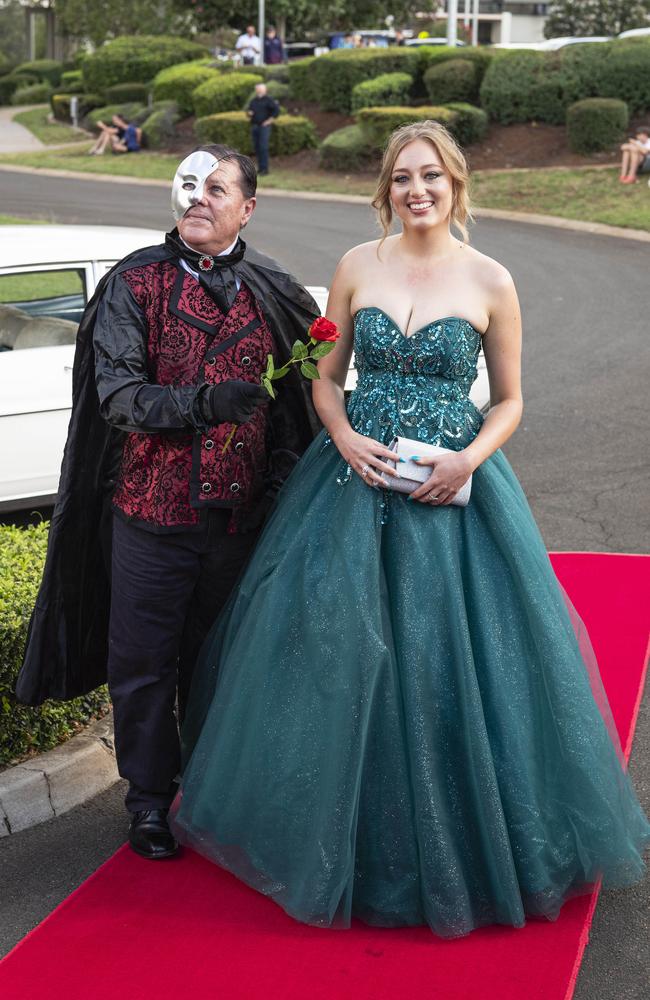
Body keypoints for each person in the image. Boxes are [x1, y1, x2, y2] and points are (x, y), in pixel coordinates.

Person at [169, 121, 650, 936]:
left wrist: (469, 462)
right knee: (335, 647)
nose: (415, 190)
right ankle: (334, 836)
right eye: (401, 178)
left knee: (448, 654)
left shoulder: (493, 280)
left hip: (451, 486)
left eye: (430, 175)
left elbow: (510, 400)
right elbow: (326, 381)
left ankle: (467, 841)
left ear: (456, 183)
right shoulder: (359, 265)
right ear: (385, 188)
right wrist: (345, 437)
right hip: (353, 479)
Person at [16, 144, 321, 860]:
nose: (199, 199)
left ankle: (217, 793)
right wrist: (207, 402)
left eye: (217, 189)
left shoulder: (274, 289)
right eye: (190, 186)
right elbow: (117, 396)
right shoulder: (133, 284)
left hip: (241, 524)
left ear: (247, 207)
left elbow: (301, 406)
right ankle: (150, 802)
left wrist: (280, 479)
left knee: (223, 662)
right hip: (150, 520)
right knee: (144, 665)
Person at [246, 82, 280, 176]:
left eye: (260, 89)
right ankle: (260, 169)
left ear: (264, 90)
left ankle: (265, 169)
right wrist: (249, 113)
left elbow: (276, 111)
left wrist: (269, 121)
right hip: (255, 126)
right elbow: (249, 111)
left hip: (264, 127)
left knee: (263, 147)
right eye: (257, 89)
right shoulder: (254, 101)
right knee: (257, 148)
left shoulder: (269, 100)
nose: (258, 91)